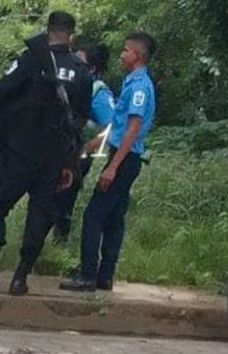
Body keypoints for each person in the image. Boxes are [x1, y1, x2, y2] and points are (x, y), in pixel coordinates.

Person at [0, 11, 92, 295]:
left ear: (48, 31)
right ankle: (20, 277)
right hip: (54, 158)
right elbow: (79, 122)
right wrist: (69, 162)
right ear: (72, 35)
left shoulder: (29, 60)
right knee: (40, 214)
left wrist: (5, 133)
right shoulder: (82, 73)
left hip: (18, 151)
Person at [60, 32, 157, 292]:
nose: (121, 55)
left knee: (94, 214)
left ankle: (88, 274)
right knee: (114, 217)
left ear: (137, 56)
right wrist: (93, 145)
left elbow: (132, 129)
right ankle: (105, 274)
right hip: (125, 156)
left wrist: (113, 166)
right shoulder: (132, 83)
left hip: (124, 159)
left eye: (126, 50)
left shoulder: (138, 87)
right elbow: (118, 124)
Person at [53, 42, 115, 243]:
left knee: (63, 201)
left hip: (77, 155)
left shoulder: (98, 93)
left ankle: (58, 243)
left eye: (79, 61)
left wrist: (88, 148)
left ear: (92, 68)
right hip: (58, 149)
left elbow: (111, 126)